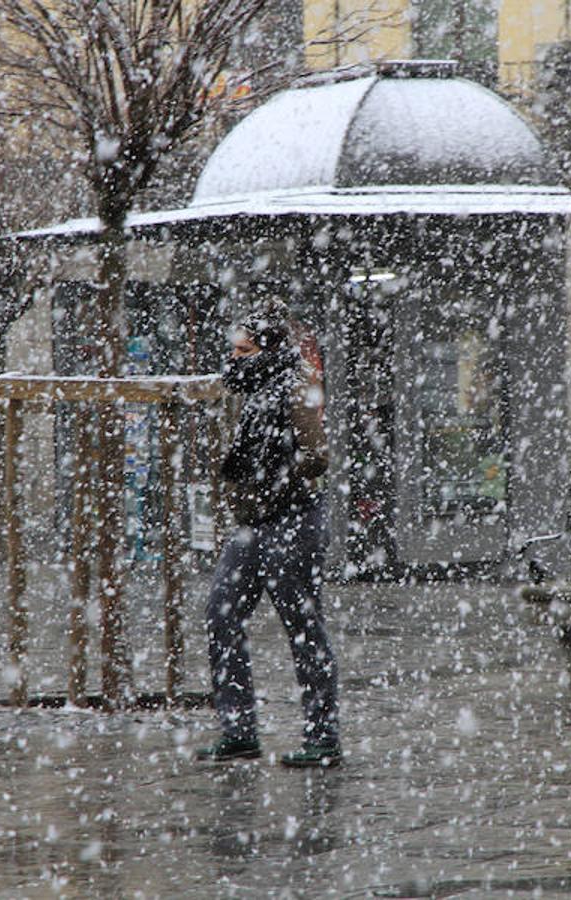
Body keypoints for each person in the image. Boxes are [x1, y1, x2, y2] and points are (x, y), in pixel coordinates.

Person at [196, 299, 341, 768]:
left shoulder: (295, 384)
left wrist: (272, 479)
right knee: (220, 614)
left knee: (303, 629)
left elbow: (316, 456)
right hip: (252, 524)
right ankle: (239, 731)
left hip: (291, 519)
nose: (233, 359)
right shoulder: (258, 387)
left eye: (241, 350)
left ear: (267, 348)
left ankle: (323, 740)